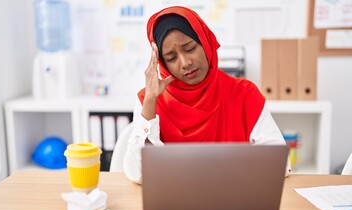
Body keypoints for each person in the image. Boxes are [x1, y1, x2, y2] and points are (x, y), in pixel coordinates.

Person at [123, 6, 291, 184]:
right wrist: (150, 102)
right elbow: (137, 174)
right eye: (171, 58)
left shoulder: (244, 94)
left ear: (205, 42)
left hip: (234, 203)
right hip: (177, 206)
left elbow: (280, 164)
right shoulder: (149, 100)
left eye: (189, 48)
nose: (185, 63)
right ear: (162, 64)